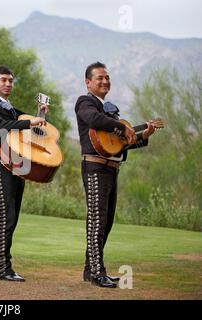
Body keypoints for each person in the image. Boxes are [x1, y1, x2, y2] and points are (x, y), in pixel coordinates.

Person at [75, 62, 156, 288]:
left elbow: (117, 145)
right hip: (94, 168)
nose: (105, 81)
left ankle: (90, 270)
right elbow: (94, 120)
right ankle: (98, 272)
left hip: (111, 168)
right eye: (100, 78)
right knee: (97, 220)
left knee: (106, 221)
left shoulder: (111, 110)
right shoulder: (85, 102)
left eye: (107, 78)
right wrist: (123, 128)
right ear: (88, 82)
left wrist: (142, 136)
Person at [0, 65, 47, 282]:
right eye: (3, 80)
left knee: (12, 217)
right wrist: (29, 121)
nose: (8, 84)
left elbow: (32, 132)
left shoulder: (13, 109)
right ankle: (2, 267)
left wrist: (40, 114)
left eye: (10, 80)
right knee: (5, 218)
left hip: (17, 166)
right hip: (0, 166)